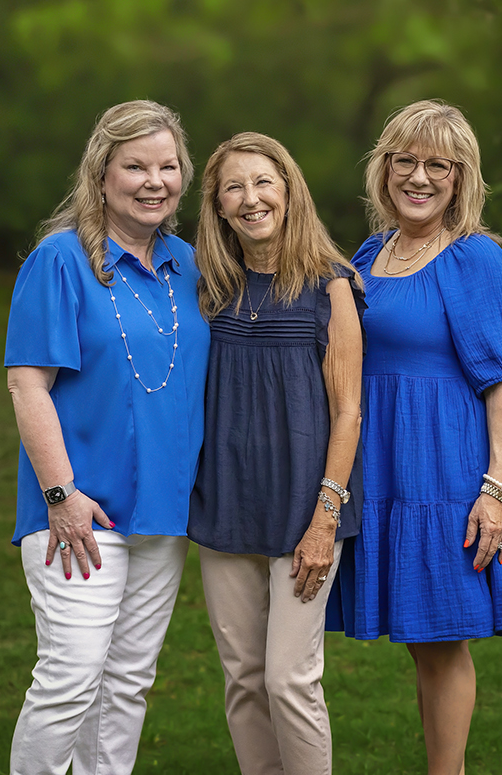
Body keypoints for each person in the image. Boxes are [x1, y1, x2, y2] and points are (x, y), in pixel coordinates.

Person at [3, 100, 212, 775]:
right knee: (70, 681)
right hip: (81, 511)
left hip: (163, 511)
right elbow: (27, 384)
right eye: (136, 167)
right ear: (102, 174)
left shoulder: (191, 265)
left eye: (168, 166)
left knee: (126, 683)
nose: (155, 181)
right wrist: (61, 494)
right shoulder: (60, 260)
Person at [326, 100, 502, 775]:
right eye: (405, 161)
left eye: (437, 165)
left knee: (442, 640)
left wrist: (495, 490)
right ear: (383, 170)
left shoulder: (474, 259)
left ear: (460, 178)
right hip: (380, 473)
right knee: (422, 642)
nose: (419, 177)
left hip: (444, 478)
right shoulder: (370, 253)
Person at [188, 132, 364, 775]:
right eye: (234, 186)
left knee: (290, 678)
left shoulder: (330, 284)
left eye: (264, 182)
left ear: (289, 191)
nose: (251, 197)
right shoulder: (208, 287)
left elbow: (348, 410)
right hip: (227, 500)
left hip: (305, 507)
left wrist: (325, 518)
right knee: (243, 677)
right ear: (218, 205)